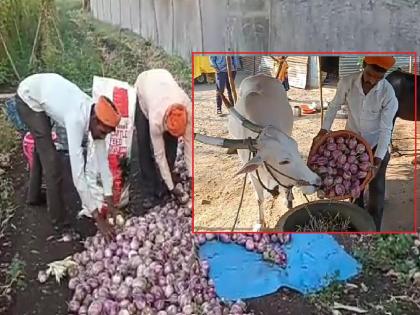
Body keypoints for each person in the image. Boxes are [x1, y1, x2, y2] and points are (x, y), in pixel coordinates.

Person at [15, 73, 120, 239]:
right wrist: (98, 218)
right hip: (28, 99)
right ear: (94, 119)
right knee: (52, 165)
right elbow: (78, 175)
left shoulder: (96, 117)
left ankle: (33, 196)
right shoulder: (76, 119)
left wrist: (109, 196)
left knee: (42, 145)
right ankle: (60, 224)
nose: (102, 136)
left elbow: (102, 159)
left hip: (45, 92)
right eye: (102, 132)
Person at [312, 56, 398, 231]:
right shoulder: (347, 82)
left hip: (375, 147)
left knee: (377, 190)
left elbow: (385, 130)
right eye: (369, 74)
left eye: (378, 77)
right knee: (353, 188)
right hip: (351, 146)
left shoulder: (388, 94)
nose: (372, 80)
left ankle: (374, 231)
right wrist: (323, 129)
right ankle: (355, 226)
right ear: (364, 66)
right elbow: (334, 105)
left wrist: (377, 160)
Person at [134, 69, 192, 209]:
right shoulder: (155, 120)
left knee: (171, 146)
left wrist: (192, 176)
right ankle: (151, 189)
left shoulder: (188, 109)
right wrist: (173, 189)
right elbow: (159, 155)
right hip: (144, 87)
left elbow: (190, 146)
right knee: (144, 144)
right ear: (165, 123)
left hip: (163, 78)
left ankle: (166, 179)